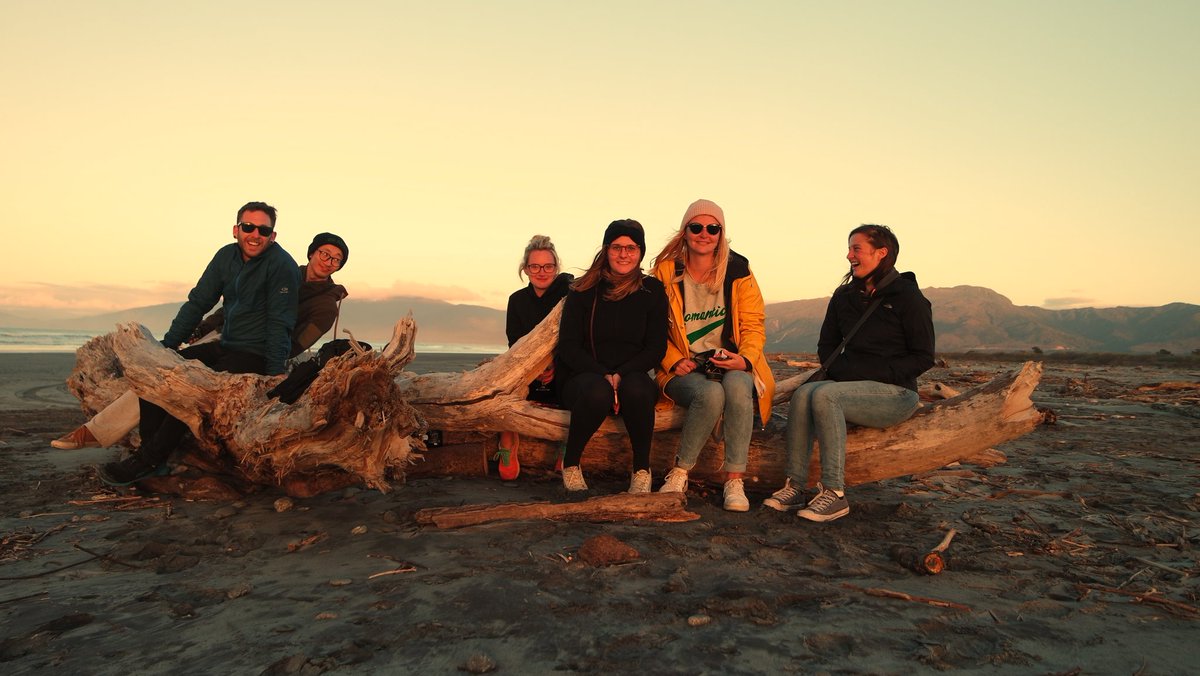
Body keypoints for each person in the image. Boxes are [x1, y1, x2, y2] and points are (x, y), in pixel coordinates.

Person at [52, 233, 350, 451]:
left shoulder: (325, 305)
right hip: (228, 335)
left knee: (189, 390)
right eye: (324, 253)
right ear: (311, 253)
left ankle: (141, 446)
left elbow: (299, 343)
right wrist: (205, 325)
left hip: (261, 354)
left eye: (336, 259)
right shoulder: (281, 271)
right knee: (162, 374)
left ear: (338, 267)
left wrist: (264, 355)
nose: (328, 261)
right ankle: (106, 433)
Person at [95, 201, 300, 485]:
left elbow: (281, 320)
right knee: (157, 376)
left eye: (263, 230)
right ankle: (153, 457)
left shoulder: (282, 266)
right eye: (248, 227)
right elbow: (198, 302)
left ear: (272, 236)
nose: (255, 234)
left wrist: (275, 369)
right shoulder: (225, 257)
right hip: (226, 343)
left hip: (255, 353)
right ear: (236, 230)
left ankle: (149, 460)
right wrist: (167, 347)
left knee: (193, 391)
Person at [763, 224, 934, 522]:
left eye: (856, 249)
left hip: (896, 393)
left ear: (881, 253)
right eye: (849, 248)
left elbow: (923, 357)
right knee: (804, 394)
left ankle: (834, 494)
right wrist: (843, 371)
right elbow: (827, 345)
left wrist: (875, 374)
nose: (849, 255)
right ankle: (795, 487)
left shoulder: (908, 297)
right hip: (848, 388)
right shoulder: (844, 296)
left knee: (827, 395)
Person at [651, 199, 775, 511]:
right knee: (709, 394)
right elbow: (649, 327)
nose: (704, 234)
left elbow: (753, 325)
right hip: (682, 367)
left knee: (735, 385)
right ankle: (680, 472)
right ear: (685, 232)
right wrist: (673, 360)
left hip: (729, 362)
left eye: (712, 228)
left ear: (721, 233)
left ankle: (734, 480)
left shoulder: (739, 271)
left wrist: (744, 360)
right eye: (696, 227)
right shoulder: (665, 273)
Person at [556, 219, 667, 493]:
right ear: (606, 250)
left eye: (631, 248)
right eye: (617, 247)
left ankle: (641, 469)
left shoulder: (652, 291)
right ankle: (571, 463)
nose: (624, 254)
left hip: (631, 375)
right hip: (584, 377)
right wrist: (603, 375)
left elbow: (655, 348)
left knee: (639, 389)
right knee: (598, 392)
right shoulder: (583, 290)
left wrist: (621, 374)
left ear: (640, 252)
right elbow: (568, 346)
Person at [495, 235, 573, 480]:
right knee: (502, 386)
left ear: (556, 267)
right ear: (525, 269)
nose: (542, 272)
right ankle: (507, 443)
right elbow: (514, 343)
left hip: (563, 367)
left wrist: (555, 366)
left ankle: (567, 447)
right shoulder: (516, 300)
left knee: (580, 385)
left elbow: (575, 340)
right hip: (527, 370)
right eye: (535, 266)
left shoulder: (569, 296)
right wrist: (534, 368)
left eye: (548, 266)